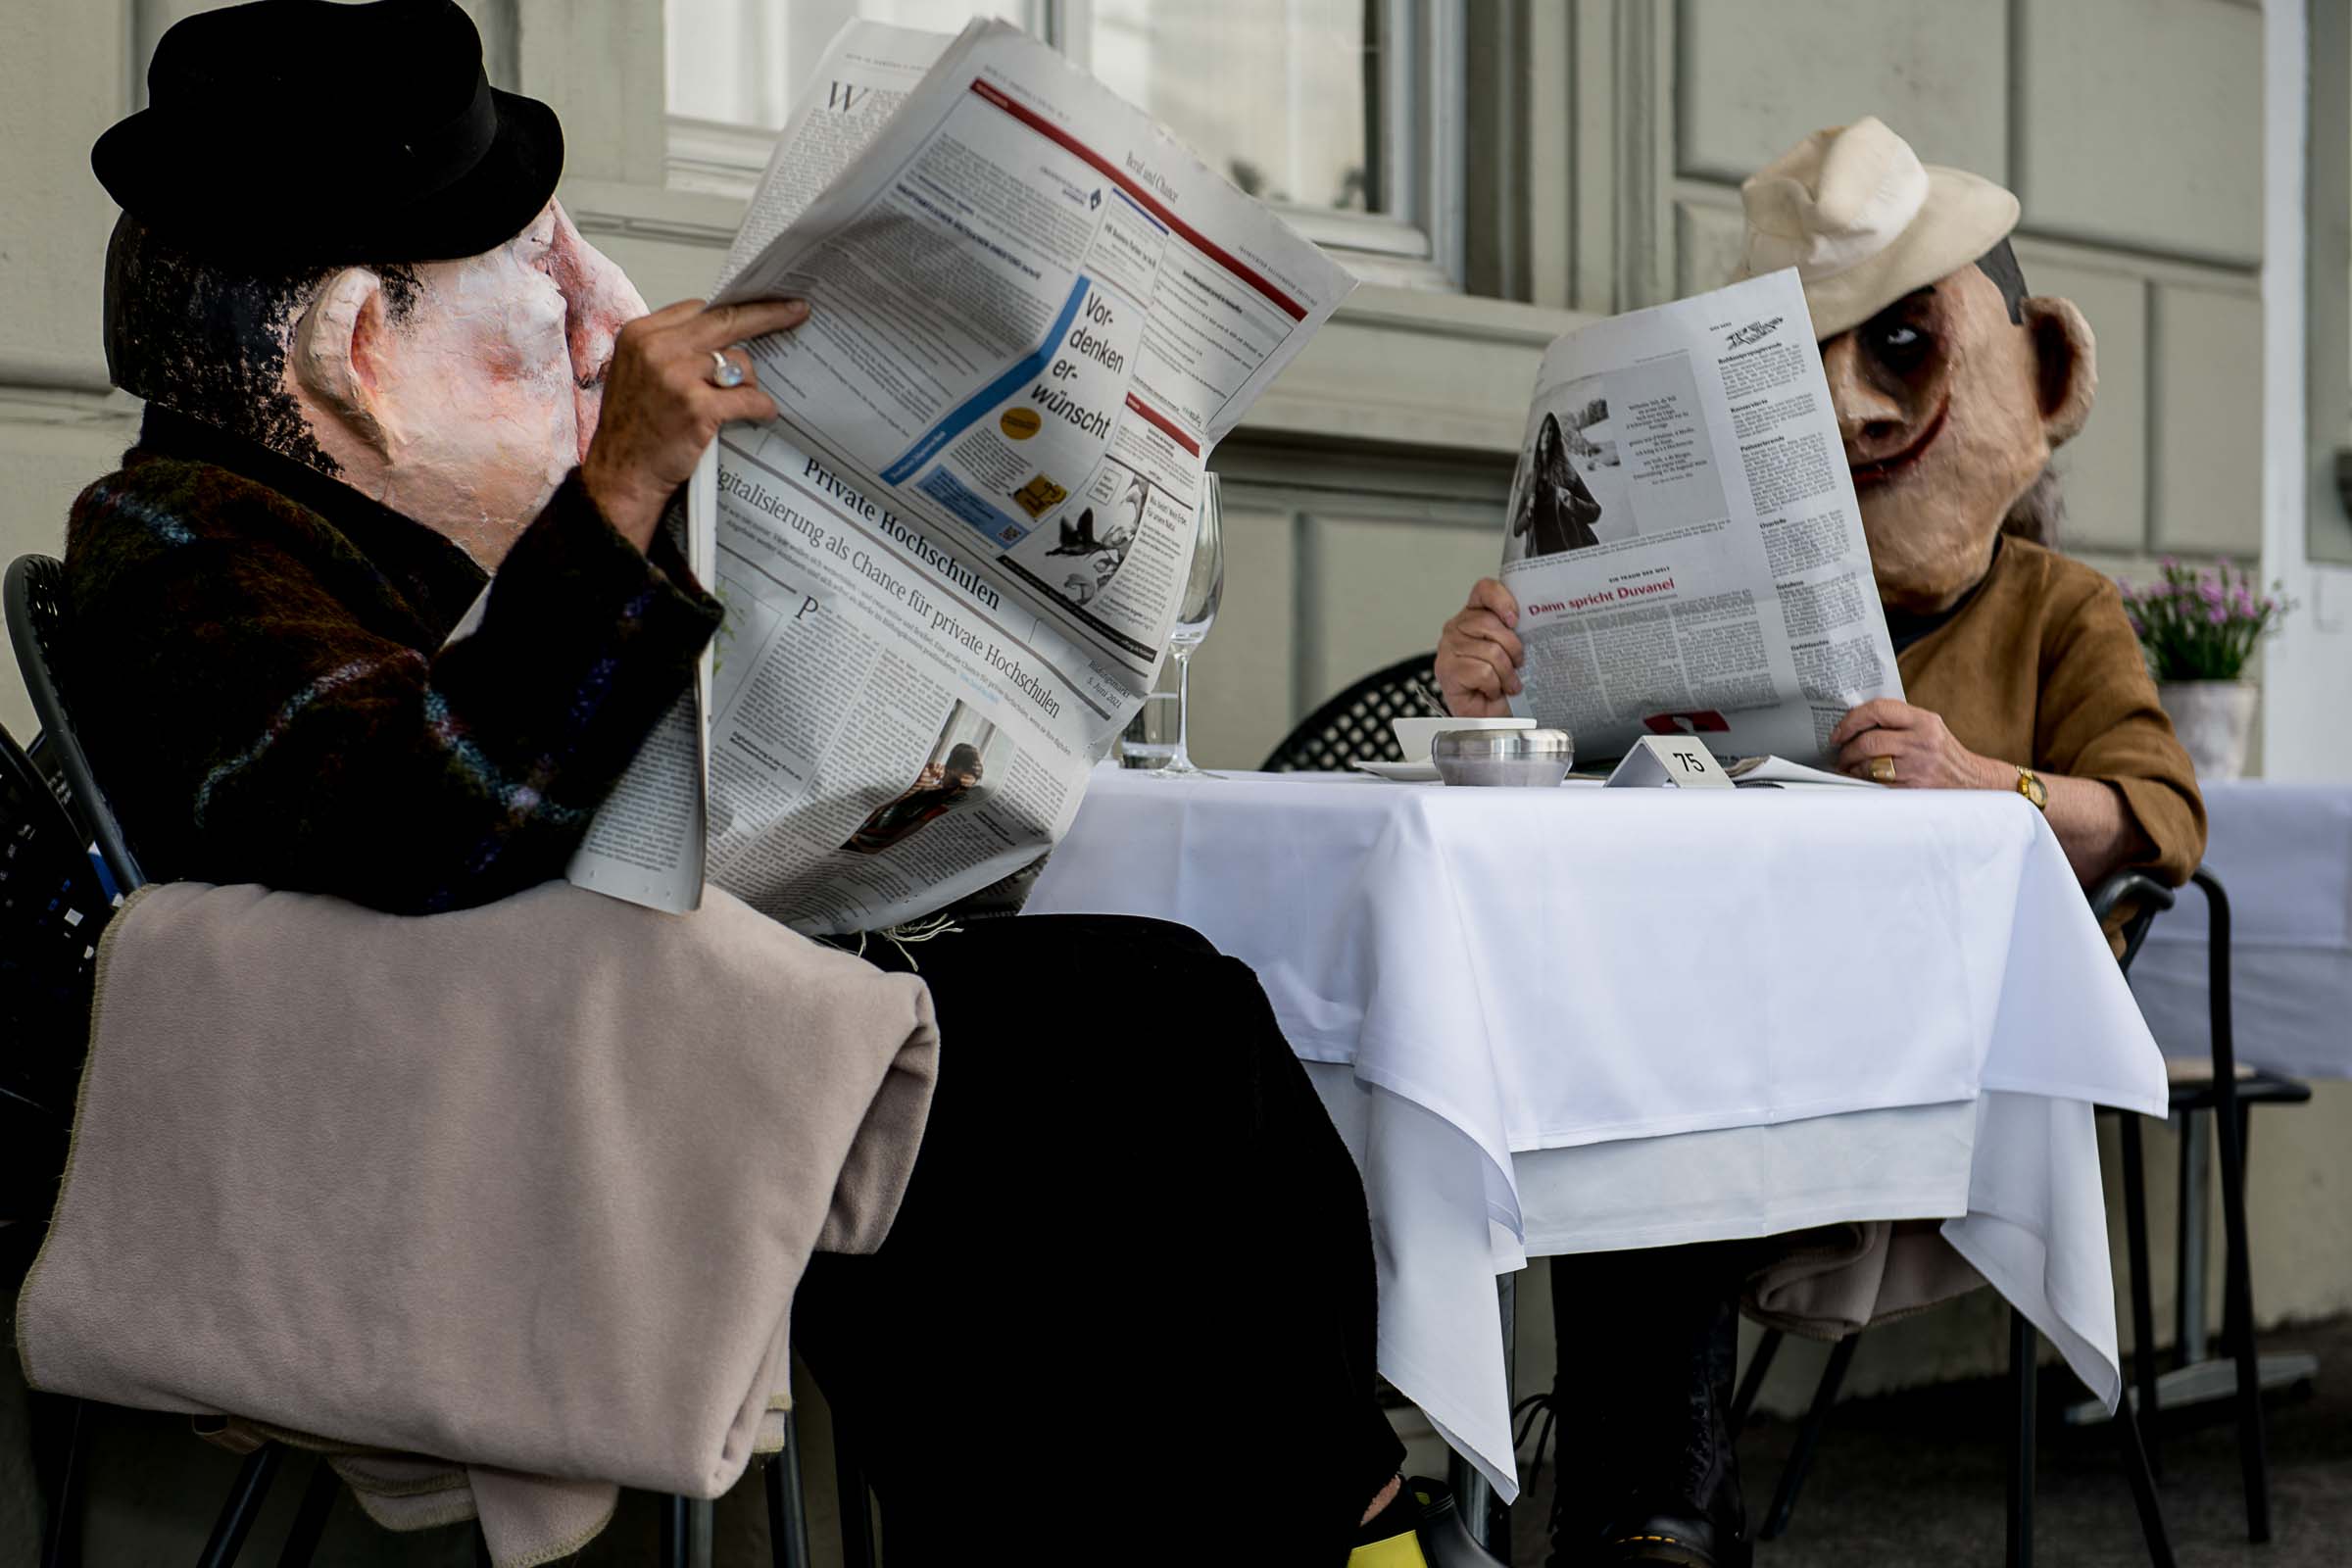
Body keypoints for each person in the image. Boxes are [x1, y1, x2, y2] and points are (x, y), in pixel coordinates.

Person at [61, 5, 1493, 1563]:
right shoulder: (178, 547)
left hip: (625, 1025)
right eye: (542, 284)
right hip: (469, 1099)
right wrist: (617, 489)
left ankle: (1328, 1525)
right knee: (1088, 1065)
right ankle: (1342, 1533)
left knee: (1147, 1025)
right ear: (357, 353)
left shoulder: (378, 532)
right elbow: (426, 825)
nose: (608, 319)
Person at [1433, 119, 2205, 1566]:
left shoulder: (2059, 607)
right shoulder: (1743, 586)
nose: (1851, 406)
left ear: (2043, 371)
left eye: (1903, 348)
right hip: (1728, 1009)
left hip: (1944, 1039)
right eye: (1803, 368)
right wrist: (1512, 695)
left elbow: (2159, 811)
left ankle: (1641, 1509)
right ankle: (1625, 1513)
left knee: (1643, 1092)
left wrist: (1999, 786)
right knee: (1579, 1066)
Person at [843, 742, 985, 854]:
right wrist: (918, 784)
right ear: (947, 769)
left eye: (964, 789)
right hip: (862, 838)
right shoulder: (927, 784)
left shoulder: (949, 803)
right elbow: (880, 809)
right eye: (955, 783)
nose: (955, 792)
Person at [1511, 412, 1604, 557]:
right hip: (1542, 560)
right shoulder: (1530, 480)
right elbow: (1516, 530)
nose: (1547, 435)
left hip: (1574, 553)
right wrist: (1528, 513)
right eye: (1543, 430)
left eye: (1551, 430)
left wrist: (1571, 502)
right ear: (1537, 436)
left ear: (1555, 437)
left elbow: (1595, 512)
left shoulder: (1567, 472)